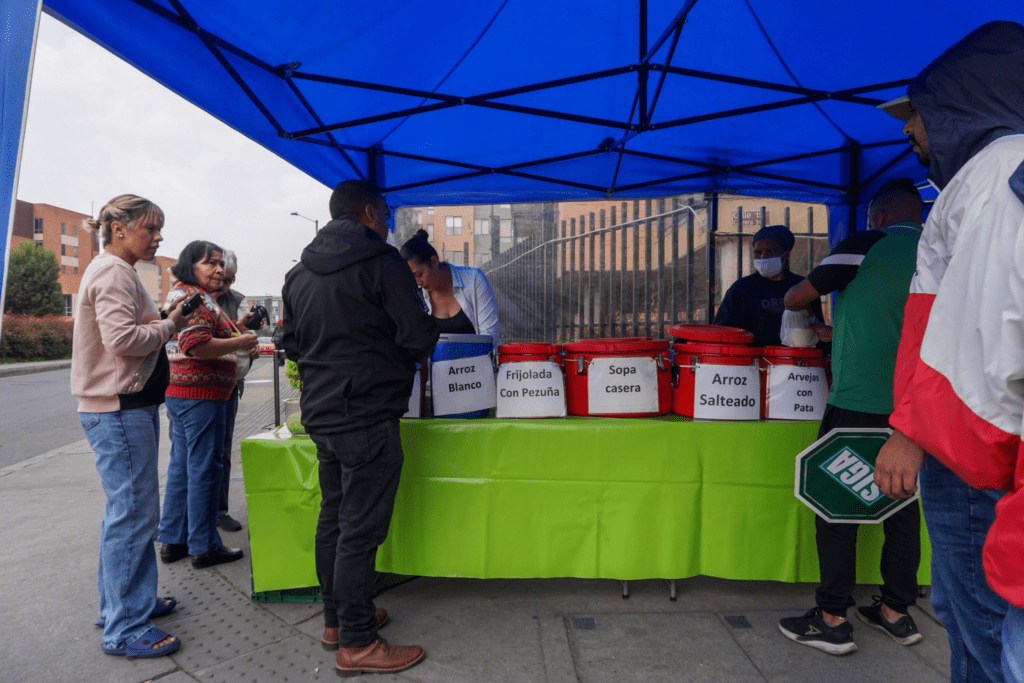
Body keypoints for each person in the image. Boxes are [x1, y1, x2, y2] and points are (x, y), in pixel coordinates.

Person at [872, 21, 1024, 683]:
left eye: (920, 113)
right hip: (972, 438)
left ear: (960, 102)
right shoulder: (990, 175)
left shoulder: (996, 174)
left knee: (984, 626)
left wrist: (912, 432)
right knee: (963, 613)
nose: (911, 130)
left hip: (971, 448)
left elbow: (983, 329)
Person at [282, 180, 439, 677]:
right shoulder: (382, 263)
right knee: (359, 530)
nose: (388, 225)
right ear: (370, 212)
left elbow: (291, 344)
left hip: (322, 412)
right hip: (368, 412)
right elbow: (417, 336)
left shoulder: (297, 274)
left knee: (334, 517)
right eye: (386, 215)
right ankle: (357, 642)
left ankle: (337, 621)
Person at [776, 179, 925, 656]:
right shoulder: (942, 250)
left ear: (879, 215)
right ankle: (896, 611)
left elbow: (795, 297)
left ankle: (832, 618)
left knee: (836, 501)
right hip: (915, 404)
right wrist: (838, 330)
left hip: (860, 397)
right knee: (901, 503)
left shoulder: (867, 242)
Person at [71, 194, 184, 658]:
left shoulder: (113, 269)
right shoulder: (114, 272)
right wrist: (168, 326)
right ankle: (125, 629)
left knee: (127, 513)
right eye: (150, 228)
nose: (158, 237)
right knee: (135, 515)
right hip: (119, 411)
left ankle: (125, 604)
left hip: (121, 409)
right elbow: (121, 339)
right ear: (119, 229)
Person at [157, 241, 257, 569]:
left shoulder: (185, 293)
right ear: (191, 265)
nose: (218, 270)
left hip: (183, 392)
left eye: (220, 263)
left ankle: (175, 540)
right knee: (205, 468)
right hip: (201, 394)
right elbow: (195, 345)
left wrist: (238, 331)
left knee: (182, 466)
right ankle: (204, 546)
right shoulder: (196, 297)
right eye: (209, 263)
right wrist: (241, 341)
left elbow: (196, 336)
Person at [712, 224, 824, 348]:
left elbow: (819, 332)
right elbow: (723, 332)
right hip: (754, 358)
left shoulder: (803, 287)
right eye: (757, 252)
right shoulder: (742, 288)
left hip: (797, 358)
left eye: (770, 251)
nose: (763, 257)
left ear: (786, 254)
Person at [212, 249, 257, 533]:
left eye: (228, 280)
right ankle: (181, 517)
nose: (221, 285)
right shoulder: (192, 297)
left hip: (227, 384)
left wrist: (249, 343)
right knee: (187, 456)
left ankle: (219, 510)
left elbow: (246, 341)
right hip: (192, 387)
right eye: (218, 278)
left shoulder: (237, 300)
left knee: (222, 450)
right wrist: (236, 340)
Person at [399, 229, 500, 347]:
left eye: (419, 274)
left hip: (478, 358)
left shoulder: (474, 280)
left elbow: (490, 337)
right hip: (436, 359)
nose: (418, 283)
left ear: (434, 261)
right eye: (412, 278)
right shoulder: (416, 294)